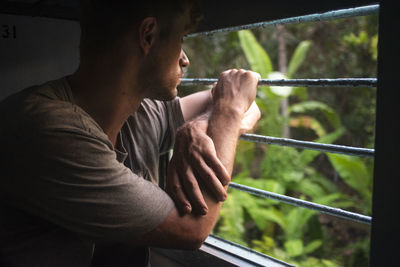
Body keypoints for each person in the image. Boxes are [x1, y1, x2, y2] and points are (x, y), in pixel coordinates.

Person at [0, 0, 261, 266]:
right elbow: (192, 229)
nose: (185, 59)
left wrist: (195, 127)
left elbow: (243, 100)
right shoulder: (47, 130)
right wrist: (226, 113)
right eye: (180, 39)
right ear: (147, 35)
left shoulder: (139, 110)